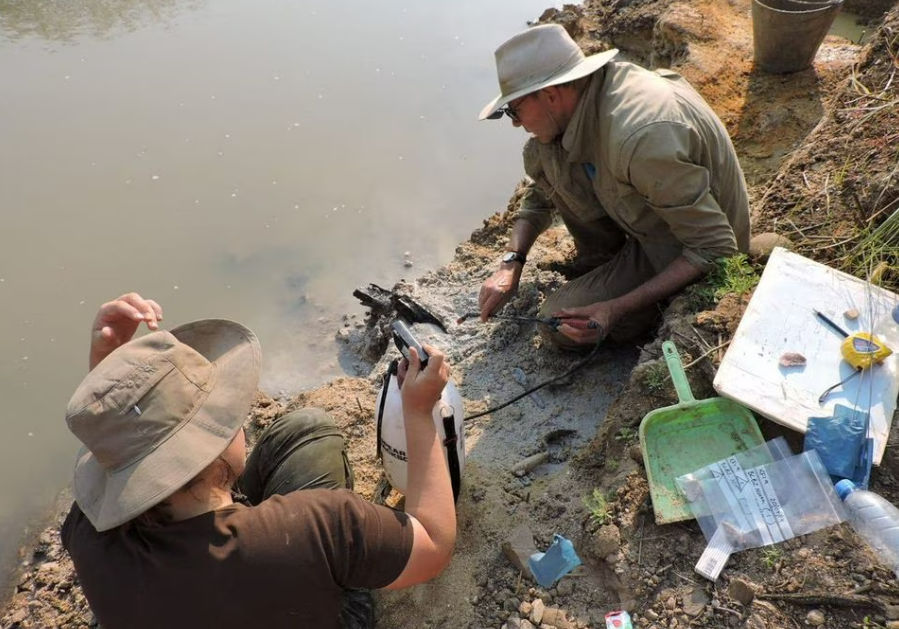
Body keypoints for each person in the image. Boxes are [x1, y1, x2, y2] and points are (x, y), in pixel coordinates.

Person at [61, 292, 456, 628]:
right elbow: (435, 545)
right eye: (225, 414)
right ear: (213, 445)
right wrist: (418, 413)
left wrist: (111, 380)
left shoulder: (89, 537)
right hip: (300, 608)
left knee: (300, 430)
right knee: (313, 431)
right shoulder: (316, 529)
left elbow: (117, 453)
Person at [477, 24, 750, 349]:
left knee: (557, 323)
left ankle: (645, 305)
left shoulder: (639, 137)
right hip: (659, 219)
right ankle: (607, 264)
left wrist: (614, 309)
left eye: (515, 109)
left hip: (692, 250)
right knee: (545, 152)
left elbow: (715, 247)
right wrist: (512, 262)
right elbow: (541, 194)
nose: (515, 123)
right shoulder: (584, 100)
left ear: (550, 94)